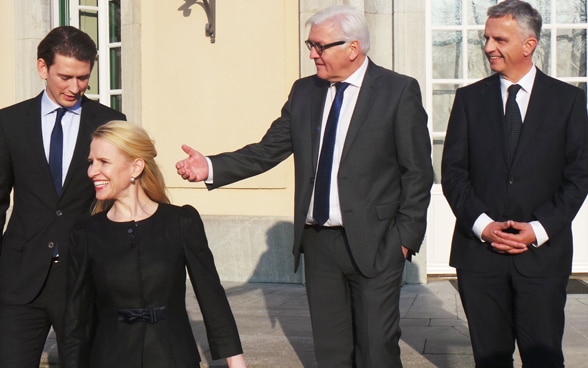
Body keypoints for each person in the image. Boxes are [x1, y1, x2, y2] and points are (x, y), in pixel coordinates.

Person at [176, 5, 433, 367]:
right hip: (318, 245)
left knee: (378, 350)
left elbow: (418, 173)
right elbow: (267, 151)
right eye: (309, 45)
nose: (311, 54)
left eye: (319, 46)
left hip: (377, 244)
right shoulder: (304, 92)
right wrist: (212, 166)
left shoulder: (398, 91)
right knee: (330, 353)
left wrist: (404, 241)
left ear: (353, 48)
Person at [441, 1, 588, 367]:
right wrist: (483, 226)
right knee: (490, 359)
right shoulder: (468, 99)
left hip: (542, 257)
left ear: (529, 44)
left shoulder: (569, 101)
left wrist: (538, 229)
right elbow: (453, 173)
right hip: (479, 259)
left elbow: (579, 175)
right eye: (486, 37)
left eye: (499, 39)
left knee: (544, 357)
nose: (489, 46)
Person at [62, 121, 247, 368]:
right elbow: (75, 319)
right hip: (109, 359)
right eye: (91, 162)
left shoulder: (181, 222)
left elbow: (211, 297)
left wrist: (236, 361)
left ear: (136, 167)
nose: (92, 171)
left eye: (103, 162)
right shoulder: (86, 233)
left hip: (173, 357)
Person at [0, 26, 125, 367]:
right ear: (43, 68)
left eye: (83, 78)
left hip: (85, 277)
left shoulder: (111, 122)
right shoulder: (8, 123)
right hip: (20, 278)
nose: (75, 87)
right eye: (66, 76)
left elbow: (120, 200)